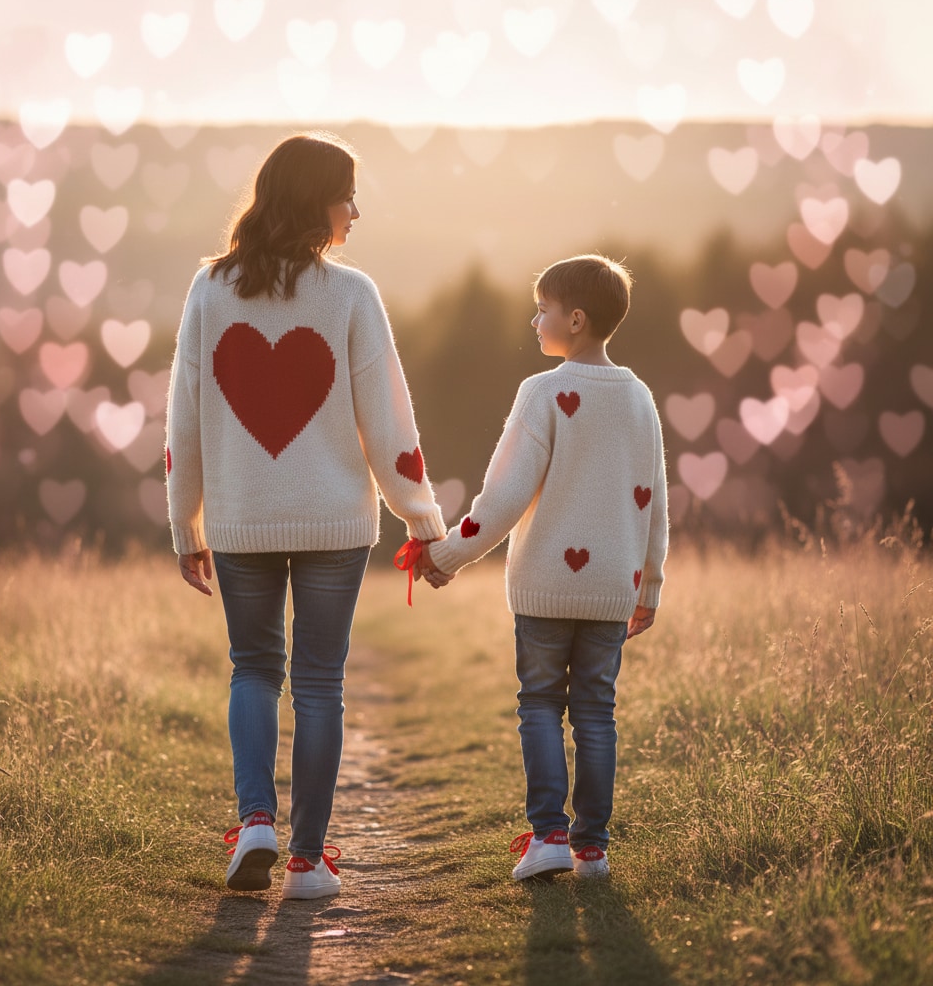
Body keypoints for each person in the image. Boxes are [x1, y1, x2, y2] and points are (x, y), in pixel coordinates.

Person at [165, 131, 446, 901]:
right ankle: (307, 860)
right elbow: (390, 423)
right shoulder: (352, 293)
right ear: (314, 200)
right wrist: (424, 522)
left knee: (253, 669)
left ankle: (254, 819)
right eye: (346, 194)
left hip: (239, 518)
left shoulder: (209, 290)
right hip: (334, 524)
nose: (355, 211)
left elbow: (183, 419)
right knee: (320, 682)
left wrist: (183, 521)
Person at [416, 253, 668, 882]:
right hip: (614, 584)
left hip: (545, 588)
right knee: (596, 711)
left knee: (539, 705)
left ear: (575, 319)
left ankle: (549, 835)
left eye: (544, 309)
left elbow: (502, 498)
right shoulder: (639, 398)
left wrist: (445, 554)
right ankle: (593, 849)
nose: (534, 320)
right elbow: (654, 500)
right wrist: (650, 584)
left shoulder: (543, 393)